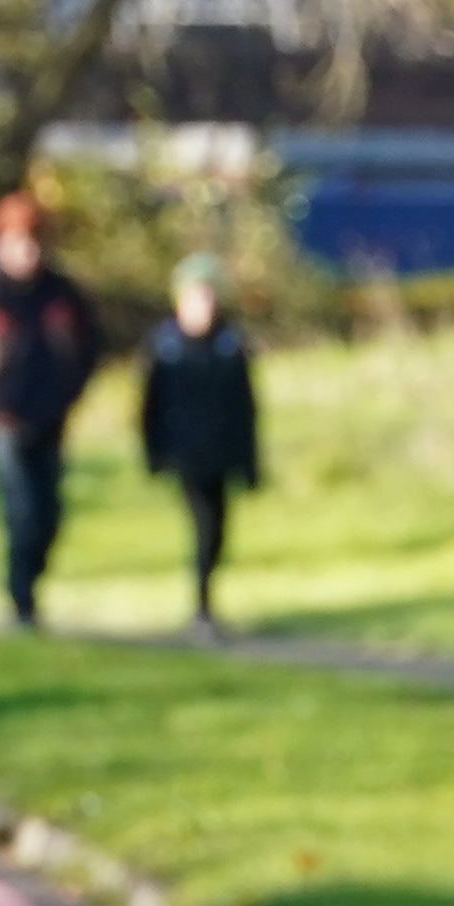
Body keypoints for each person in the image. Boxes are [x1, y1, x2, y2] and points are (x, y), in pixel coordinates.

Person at [0, 190, 100, 630]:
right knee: (18, 508)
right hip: (4, 417)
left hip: (50, 415)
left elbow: (87, 347)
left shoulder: (61, 294)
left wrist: (70, 391)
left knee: (48, 511)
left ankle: (31, 579)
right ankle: (20, 597)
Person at [136, 257, 261, 635]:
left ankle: (206, 601)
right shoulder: (165, 346)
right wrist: (154, 454)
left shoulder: (230, 344)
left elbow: (246, 406)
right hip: (184, 454)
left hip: (221, 453)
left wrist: (250, 461)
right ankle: (202, 605)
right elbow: (149, 406)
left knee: (218, 529)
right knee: (204, 525)